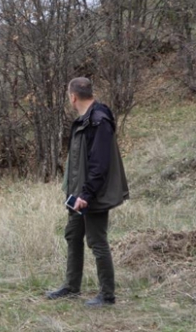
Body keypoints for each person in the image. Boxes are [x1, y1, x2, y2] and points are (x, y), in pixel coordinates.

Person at [46, 77, 129, 307]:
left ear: (73, 97)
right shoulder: (84, 120)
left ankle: (107, 295)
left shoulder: (98, 121)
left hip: (93, 195)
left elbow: (99, 165)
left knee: (97, 241)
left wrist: (86, 195)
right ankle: (71, 287)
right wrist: (74, 194)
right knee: (73, 235)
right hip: (79, 194)